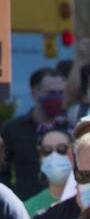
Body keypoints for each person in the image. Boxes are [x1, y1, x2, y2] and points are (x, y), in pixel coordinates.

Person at [0, 69, 68, 201]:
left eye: (61, 93)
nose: (57, 98)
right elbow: (2, 172)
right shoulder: (13, 129)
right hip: (25, 204)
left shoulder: (70, 127)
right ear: (34, 93)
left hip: (62, 204)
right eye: (51, 93)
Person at [23, 127, 73, 218]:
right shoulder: (27, 208)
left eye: (62, 149)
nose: (54, 156)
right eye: (47, 150)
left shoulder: (85, 200)